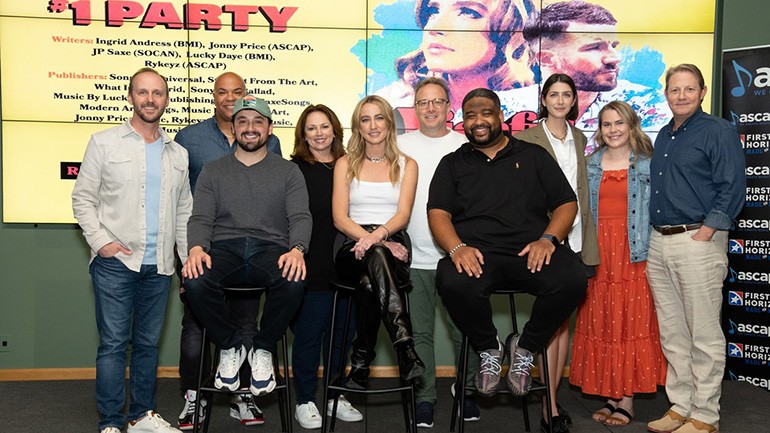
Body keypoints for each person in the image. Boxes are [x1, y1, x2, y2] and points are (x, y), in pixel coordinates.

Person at [427, 90, 587, 425]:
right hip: (478, 255)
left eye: (485, 113)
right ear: (462, 121)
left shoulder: (533, 155)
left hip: (530, 251)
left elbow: (566, 203)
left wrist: (548, 238)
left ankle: (525, 348)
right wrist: (457, 248)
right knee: (451, 279)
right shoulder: (453, 163)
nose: (478, 121)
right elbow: (438, 213)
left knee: (572, 277)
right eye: (470, 115)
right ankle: (489, 347)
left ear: (500, 115)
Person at [72, 67, 192, 433]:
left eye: (157, 93)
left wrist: (186, 262)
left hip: (160, 267)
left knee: (147, 346)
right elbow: (82, 199)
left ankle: (141, 416)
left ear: (166, 100)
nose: (150, 99)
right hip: (116, 264)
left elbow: (184, 210)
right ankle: (110, 422)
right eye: (143, 92)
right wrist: (101, 242)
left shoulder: (178, 154)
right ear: (130, 97)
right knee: (112, 345)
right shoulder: (104, 142)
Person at [182, 95, 311, 401]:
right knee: (195, 280)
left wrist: (297, 249)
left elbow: (300, 217)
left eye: (257, 121)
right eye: (242, 121)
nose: (249, 127)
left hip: (271, 249)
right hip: (224, 248)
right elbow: (200, 217)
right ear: (234, 127)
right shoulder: (213, 171)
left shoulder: (289, 171)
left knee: (295, 279)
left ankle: (263, 349)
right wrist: (197, 248)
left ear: (269, 129)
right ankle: (230, 346)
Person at [174, 72, 282, 430]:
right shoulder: (189, 138)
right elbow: (183, 198)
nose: (230, 98)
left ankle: (243, 395)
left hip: (252, 248)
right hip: (201, 246)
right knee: (194, 325)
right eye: (223, 92)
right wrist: (191, 247)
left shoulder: (271, 141)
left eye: (238, 92)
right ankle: (194, 398)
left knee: (246, 319)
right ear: (214, 96)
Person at [645, 64, 745, 433]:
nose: (682, 95)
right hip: (660, 242)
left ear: (702, 92)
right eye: (675, 89)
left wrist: (706, 232)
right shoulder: (664, 135)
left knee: (703, 333)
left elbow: (733, 185)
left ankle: (705, 414)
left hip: (696, 241)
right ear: (667, 93)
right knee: (673, 333)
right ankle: (680, 405)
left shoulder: (717, 130)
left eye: (689, 89)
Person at [568, 101, 667, 428]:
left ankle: (626, 401)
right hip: (598, 252)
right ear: (600, 128)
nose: (612, 130)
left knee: (631, 323)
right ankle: (611, 394)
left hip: (634, 252)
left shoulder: (648, 164)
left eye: (618, 123)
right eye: (606, 124)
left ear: (631, 126)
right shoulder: (590, 163)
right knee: (604, 322)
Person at [514, 73, 600, 433]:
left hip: (578, 236)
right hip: (544, 239)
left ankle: (550, 399)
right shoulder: (523, 139)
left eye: (567, 95)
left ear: (574, 100)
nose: (561, 100)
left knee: (562, 322)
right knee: (552, 320)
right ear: (544, 100)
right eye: (554, 94)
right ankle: (548, 404)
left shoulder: (581, 139)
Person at [398, 77, 480, 428]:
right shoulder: (399, 146)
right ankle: (425, 396)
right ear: (414, 109)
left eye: (437, 102)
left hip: (457, 255)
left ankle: (468, 389)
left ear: (449, 107)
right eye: (423, 102)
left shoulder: (466, 146)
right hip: (413, 256)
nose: (430, 108)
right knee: (420, 333)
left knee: (467, 329)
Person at [332, 95, 425, 389]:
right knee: (377, 256)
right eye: (365, 119)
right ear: (358, 127)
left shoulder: (407, 164)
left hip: (391, 241)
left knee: (371, 283)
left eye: (379, 118)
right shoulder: (344, 164)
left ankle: (361, 359)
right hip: (351, 246)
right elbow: (339, 218)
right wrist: (374, 240)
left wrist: (379, 238)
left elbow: (403, 214)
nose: (373, 125)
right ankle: (405, 347)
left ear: (389, 123)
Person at [289, 104, 363, 429]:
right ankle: (304, 400)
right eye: (311, 128)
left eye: (324, 126)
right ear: (303, 135)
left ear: (335, 129)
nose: (319, 134)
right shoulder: (294, 170)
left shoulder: (352, 166)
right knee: (308, 337)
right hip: (311, 266)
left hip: (347, 267)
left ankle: (334, 394)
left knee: (342, 338)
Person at [503, 1, 670, 132]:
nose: (614, 58)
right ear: (546, 59)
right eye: (595, 47)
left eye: (614, 45)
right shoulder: (505, 109)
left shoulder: (649, 105)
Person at [377, 0, 537, 112]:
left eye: (468, 12)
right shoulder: (390, 105)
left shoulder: (531, 107)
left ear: (511, 31)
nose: (434, 27)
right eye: (433, 11)